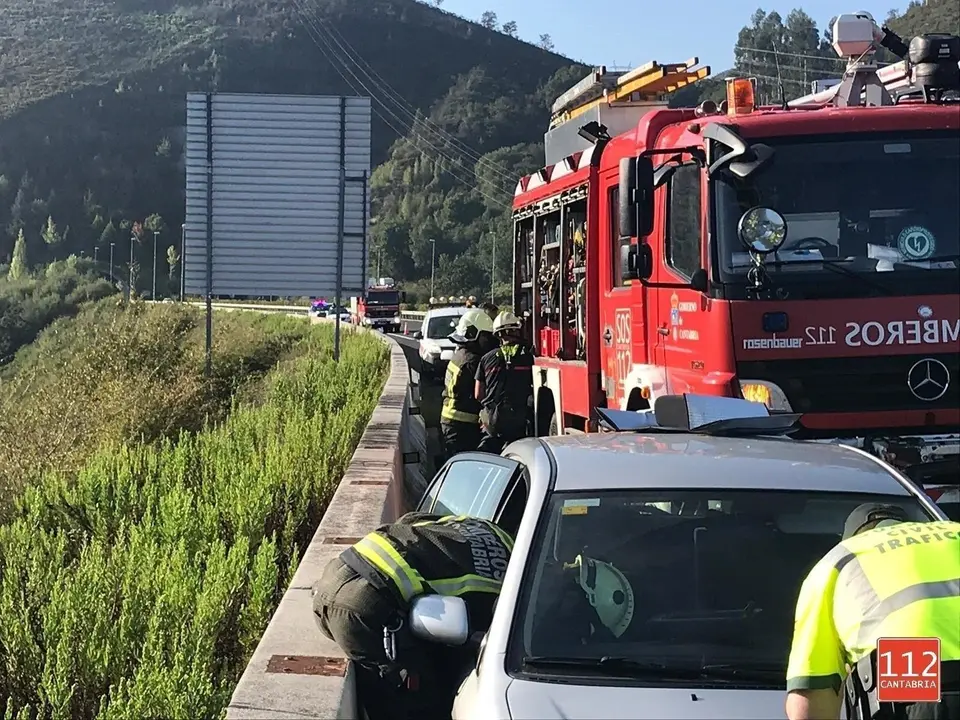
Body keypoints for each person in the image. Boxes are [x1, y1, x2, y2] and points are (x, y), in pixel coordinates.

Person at [312, 512, 514, 720]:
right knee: (417, 703)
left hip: (337, 570)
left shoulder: (487, 529)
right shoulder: (507, 593)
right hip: (366, 607)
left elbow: (408, 519)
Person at [785, 504, 960, 720]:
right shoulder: (954, 531)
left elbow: (808, 705)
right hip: (918, 682)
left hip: (915, 689)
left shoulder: (838, 561)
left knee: (904, 673)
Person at [475, 310, 535, 454]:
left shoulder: (486, 359)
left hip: (492, 421)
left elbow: (478, 394)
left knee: (489, 454)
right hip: (519, 420)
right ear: (517, 331)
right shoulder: (529, 357)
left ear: (497, 335)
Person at [440, 308, 496, 459]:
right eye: (486, 336)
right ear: (474, 334)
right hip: (462, 426)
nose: (489, 341)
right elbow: (483, 394)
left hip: (452, 422)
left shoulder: (460, 354)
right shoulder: (473, 361)